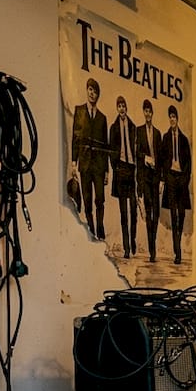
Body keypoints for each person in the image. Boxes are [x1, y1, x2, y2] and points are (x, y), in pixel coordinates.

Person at [70, 77, 109, 240]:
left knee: (99, 199)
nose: (93, 94)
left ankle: (100, 229)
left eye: (96, 91)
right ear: (87, 91)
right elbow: (75, 138)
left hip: (99, 166)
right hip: (84, 164)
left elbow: (105, 146)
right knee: (87, 200)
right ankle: (91, 230)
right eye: (90, 90)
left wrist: (106, 171)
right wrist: (74, 162)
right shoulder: (79, 111)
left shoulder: (102, 118)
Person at [160, 105, 191, 264]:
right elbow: (162, 159)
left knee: (182, 214)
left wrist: (185, 181)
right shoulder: (165, 138)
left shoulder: (184, 140)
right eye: (170, 116)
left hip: (181, 180)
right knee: (173, 215)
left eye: (174, 116)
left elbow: (189, 163)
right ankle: (177, 252)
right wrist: (164, 178)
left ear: (177, 119)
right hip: (171, 178)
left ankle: (178, 245)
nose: (172, 119)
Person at [108, 95, 139, 258]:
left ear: (126, 108)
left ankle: (132, 240)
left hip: (131, 169)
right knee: (123, 213)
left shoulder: (133, 127)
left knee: (133, 210)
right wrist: (116, 166)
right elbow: (111, 150)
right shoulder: (113, 127)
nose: (121, 108)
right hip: (120, 169)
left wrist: (134, 168)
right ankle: (127, 248)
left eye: (123, 105)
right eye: (119, 106)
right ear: (117, 108)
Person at [135, 99, 162, 262]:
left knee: (156, 214)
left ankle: (153, 241)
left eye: (149, 111)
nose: (147, 114)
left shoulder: (158, 133)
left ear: (152, 113)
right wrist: (145, 158)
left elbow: (161, 157)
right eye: (145, 111)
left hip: (155, 178)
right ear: (143, 113)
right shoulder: (139, 131)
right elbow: (136, 152)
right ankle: (152, 250)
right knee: (149, 210)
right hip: (145, 177)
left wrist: (161, 180)